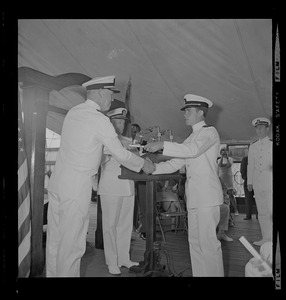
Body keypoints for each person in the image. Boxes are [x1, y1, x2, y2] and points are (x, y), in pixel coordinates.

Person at [46, 75, 154, 277]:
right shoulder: (99, 119)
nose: (111, 100)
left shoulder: (73, 113)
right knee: (73, 244)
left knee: (56, 240)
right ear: (102, 93)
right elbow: (120, 153)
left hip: (57, 183)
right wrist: (144, 164)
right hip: (76, 185)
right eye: (111, 95)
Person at [144, 94, 224, 277]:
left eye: (188, 111)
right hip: (195, 198)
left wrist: (162, 144)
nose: (184, 114)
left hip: (207, 198)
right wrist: (152, 168)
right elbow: (175, 163)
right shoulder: (192, 137)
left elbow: (193, 151)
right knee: (195, 243)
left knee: (209, 245)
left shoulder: (209, 133)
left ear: (201, 112)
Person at [97, 100, 140, 275]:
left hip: (128, 187)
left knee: (125, 225)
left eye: (123, 121)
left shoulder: (127, 140)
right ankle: (111, 261)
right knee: (110, 226)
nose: (122, 124)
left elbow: (134, 155)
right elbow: (105, 159)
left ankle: (124, 258)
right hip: (111, 187)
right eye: (119, 121)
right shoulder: (104, 140)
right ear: (110, 122)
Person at [247, 117, 272, 246]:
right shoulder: (253, 145)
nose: (258, 130)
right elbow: (250, 164)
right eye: (257, 128)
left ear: (267, 128)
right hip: (258, 183)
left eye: (261, 128)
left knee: (271, 211)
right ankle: (266, 238)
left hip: (270, 183)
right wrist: (249, 181)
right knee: (262, 212)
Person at [217, 148, 239, 215]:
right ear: (221, 153)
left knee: (231, 194)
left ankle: (236, 210)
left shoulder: (230, 159)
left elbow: (229, 165)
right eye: (222, 152)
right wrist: (222, 158)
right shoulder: (219, 160)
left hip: (228, 178)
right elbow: (220, 165)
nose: (224, 153)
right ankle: (224, 210)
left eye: (225, 152)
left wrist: (226, 158)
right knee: (222, 194)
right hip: (222, 177)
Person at [240, 151, 256, 220]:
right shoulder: (257, 159)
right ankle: (257, 216)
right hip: (256, 181)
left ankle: (248, 216)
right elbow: (242, 170)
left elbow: (242, 170)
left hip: (248, 181)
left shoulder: (245, 159)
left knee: (248, 199)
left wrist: (245, 178)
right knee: (257, 199)